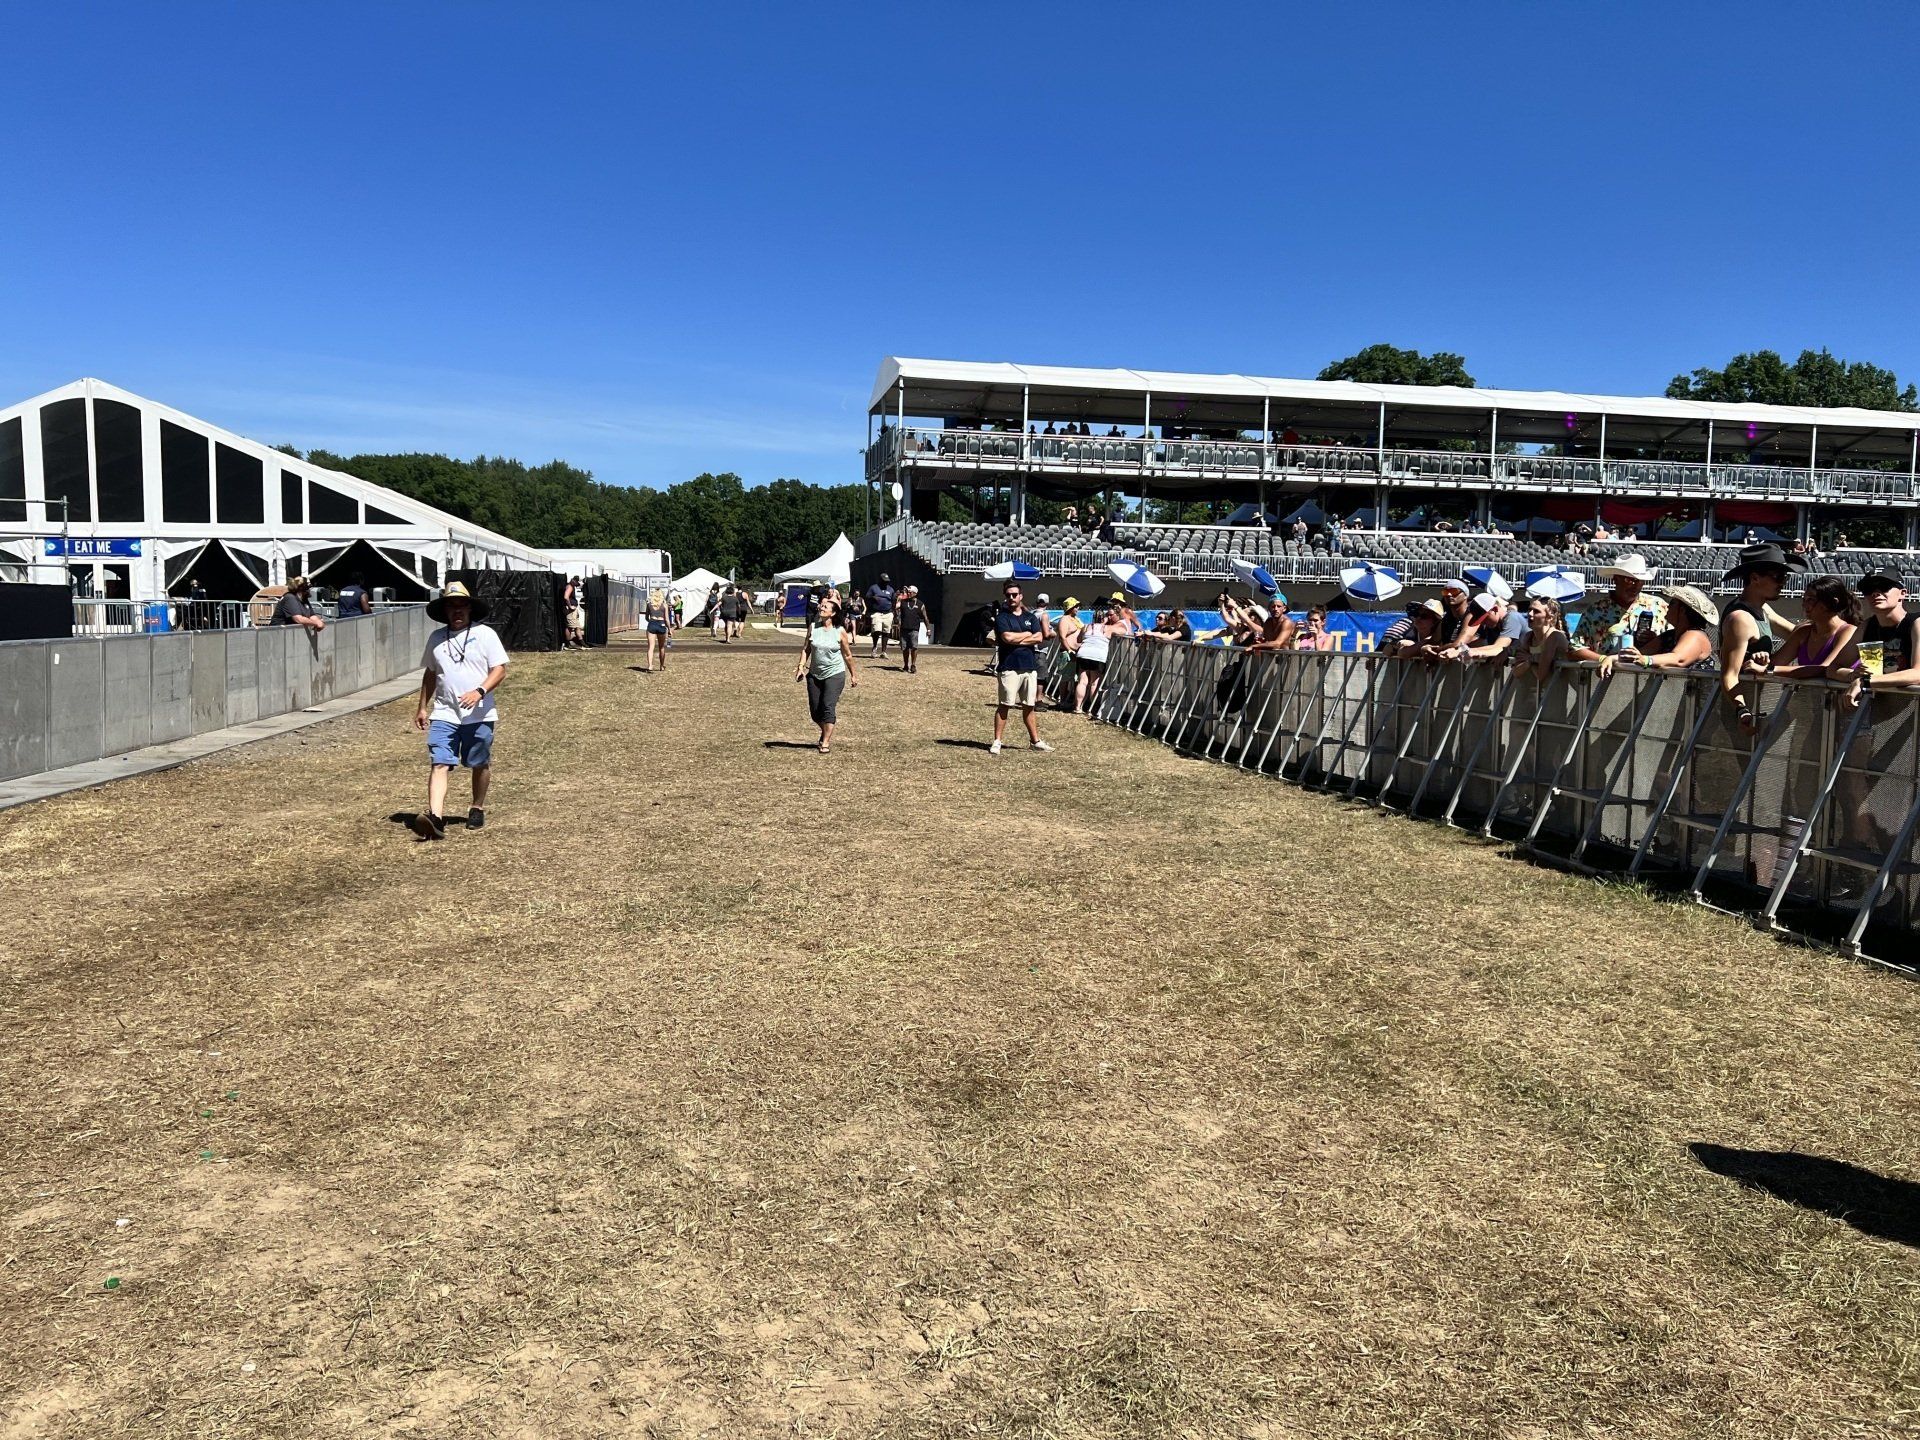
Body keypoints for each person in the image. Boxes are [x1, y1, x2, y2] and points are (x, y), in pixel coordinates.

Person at [411, 582, 508, 840]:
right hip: (444, 713)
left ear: (469, 608)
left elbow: (499, 670)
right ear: (444, 610)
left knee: (479, 762)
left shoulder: (485, 634)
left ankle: (477, 807)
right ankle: (436, 818)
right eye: (451, 606)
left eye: (461, 605)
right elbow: (431, 674)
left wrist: (479, 692)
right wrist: (422, 707)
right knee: (440, 762)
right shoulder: (436, 639)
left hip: (480, 715)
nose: (457, 611)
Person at [1719, 543, 1804, 733]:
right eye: (1778, 577)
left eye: (1785, 577)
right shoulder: (1740, 619)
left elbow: (1797, 634)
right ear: (1755, 578)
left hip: (1762, 703)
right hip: (1745, 708)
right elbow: (1729, 674)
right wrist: (1742, 711)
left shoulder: (1763, 608)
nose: (1782, 583)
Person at [990, 580, 1052, 755]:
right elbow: (1007, 638)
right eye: (1008, 595)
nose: (1011, 598)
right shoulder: (1002, 617)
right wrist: (1026, 635)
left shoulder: (1030, 617)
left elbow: (1039, 637)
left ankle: (1035, 741)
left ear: (1021, 596)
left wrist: (1020, 638)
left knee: (1029, 706)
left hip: (1029, 666)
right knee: (1005, 704)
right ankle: (997, 741)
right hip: (1009, 666)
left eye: (1014, 595)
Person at [1569, 554, 1666, 661]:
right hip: (1606, 676)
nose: (1635, 585)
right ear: (1615, 579)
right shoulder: (1595, 610)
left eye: (1640, 581)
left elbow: (1677, 644)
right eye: (1629, 580)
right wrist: (1604, 660)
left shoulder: (1659, 606)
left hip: (1648, 676)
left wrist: (1657, 642)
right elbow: (1574, 648)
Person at [796, 592, 857, 752]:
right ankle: (825, 732)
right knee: (816, 712)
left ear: (833, 613)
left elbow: (848, 655)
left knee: (827, 707)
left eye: (825, 607)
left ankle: (825, 742)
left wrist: (853, 674)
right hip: (815, 674)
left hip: (835, 674)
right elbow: (806, 649)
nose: (821, 608)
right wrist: (801, 667)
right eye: (821, 606)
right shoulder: (813, 628)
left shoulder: (840, 631)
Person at [1609, 585, 1717, 673]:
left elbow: (1678, 659)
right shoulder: (1669, 636)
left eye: (1672, 603)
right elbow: (1640, 653)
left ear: (1683, 610)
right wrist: (1610, 659)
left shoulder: (1695, 635)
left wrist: (1646, 660)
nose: (1668, 606)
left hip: (1697, 698)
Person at [1776, 575, 1860, 680]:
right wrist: (1761, 660)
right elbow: (1775, 662)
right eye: (1804, 599)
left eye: (1811, 600)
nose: (1804, 605)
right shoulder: (1803, 632)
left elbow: (1824, 668)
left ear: (1832, 603)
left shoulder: (1848, 632)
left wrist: (1770, 670)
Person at [1855, 568, 1920, 689]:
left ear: (1903, 593)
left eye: (1884, 586)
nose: (1875, 593)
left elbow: (1918, 674)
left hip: (1912, 705)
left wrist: (1867, 681)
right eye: (1869, 589)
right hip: (1878, 704)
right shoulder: (1866, 626)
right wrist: (1852, 675)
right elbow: (1834, 668)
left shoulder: (1917, 623)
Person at [1071, 600, 1123, 715]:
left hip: (1084, 653)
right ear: (1103, 618)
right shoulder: (1107, 629)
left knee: (1082, 681)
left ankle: (1078, 707)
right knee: (1094, 683)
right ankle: (1092, 709)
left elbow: (1079, 639)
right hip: (1098, 656)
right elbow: (1123, 630)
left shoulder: (1086, 627)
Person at [1457, 592, 1528, 662]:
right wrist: (1458, 650)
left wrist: (1469, 651)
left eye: (1485, 619)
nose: (1483, 623)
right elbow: (1488, 648)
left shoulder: (1512, 618)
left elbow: (1499, 648)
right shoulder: (1493, 626)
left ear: (1495, 609)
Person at [1514, 596, 1569, 681]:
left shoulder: (1554, 636)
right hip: (1533, 691)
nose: (1530, 614)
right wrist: (1533, 661)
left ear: (1549, 617)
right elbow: (1516, 672)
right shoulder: (1528, 637)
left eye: (1536, 611)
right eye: (1529, 609)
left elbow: (1540, 675)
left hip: (1554, 690)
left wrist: (1529, 661)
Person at [896, 584, 931, 674]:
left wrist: (928, 629)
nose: (908, 593)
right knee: (905, 648)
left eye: (910, 592)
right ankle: (905, 665)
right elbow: (896, 609)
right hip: (904, 628)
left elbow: (925, 617)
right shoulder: (903, 602)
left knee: (914, 647)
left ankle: (913, 664)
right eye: (907, 591)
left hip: (914, 629)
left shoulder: (920, 604)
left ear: (915, 593)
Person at [865, 572, 897, 660]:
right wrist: (873, 598)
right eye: (884, 581)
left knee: (886, 632)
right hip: (876, 612)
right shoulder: (874, 588)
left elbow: (894, 600)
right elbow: (867, 597)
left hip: (888, 612)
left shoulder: (891, 589)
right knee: (876, 630)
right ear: (880, 580)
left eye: (887, 581)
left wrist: (893, 612)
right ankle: (874, 648)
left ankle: (884, 651)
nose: (886, 582)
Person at [642, 587, 671, 672]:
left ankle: (650, 665)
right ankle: (662, 666)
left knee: (651, 647)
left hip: (652, 624)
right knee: (661, 647)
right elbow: (666, 619)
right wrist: (669, 629)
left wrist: (651, 621)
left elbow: (646, 617)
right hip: (661, 625)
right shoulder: (665, 605)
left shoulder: (649, 605)